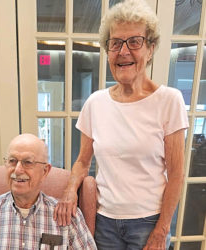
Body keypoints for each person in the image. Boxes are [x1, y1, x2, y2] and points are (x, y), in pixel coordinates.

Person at [53, 0, 189, 249]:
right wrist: (70, 190)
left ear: (150, 49)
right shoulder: (96, 102)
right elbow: (83, 161)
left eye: (135, 41)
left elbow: (177, 174)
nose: (123, 51)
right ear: (108, 51)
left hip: (149, 222)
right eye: (115, 43)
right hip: (104, 221)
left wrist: (162, 229)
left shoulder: (169, 101)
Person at [0, 133, 96, 249]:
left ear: (45, 171)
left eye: (27, 162)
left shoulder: (67, 216)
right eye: (12, 161)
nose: (18, 170)